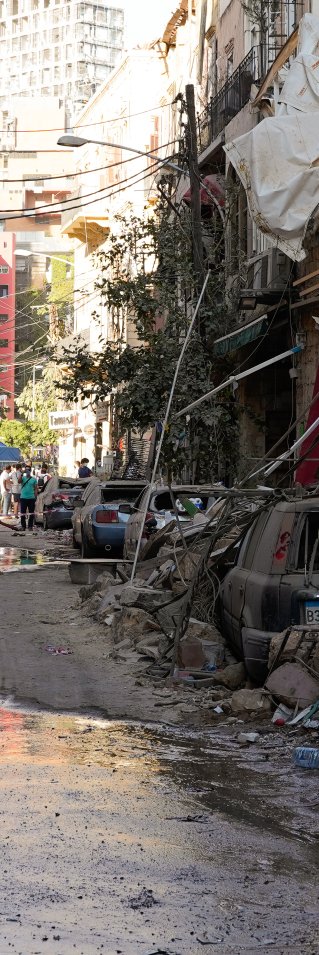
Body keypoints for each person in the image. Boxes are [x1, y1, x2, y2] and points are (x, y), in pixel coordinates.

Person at [20, 465, 38, 532]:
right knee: (23, 513)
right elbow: (19, 481)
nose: (27, 471)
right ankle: (23, 526)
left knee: (31, 513)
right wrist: (22, 473)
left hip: (31, 498)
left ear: (30, 471)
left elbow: (36, 488)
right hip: (23, 498)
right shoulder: (23, 478)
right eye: (26, 470)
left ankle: (30, 526)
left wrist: (35, 497)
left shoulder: (34, 479)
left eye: (29, 470)